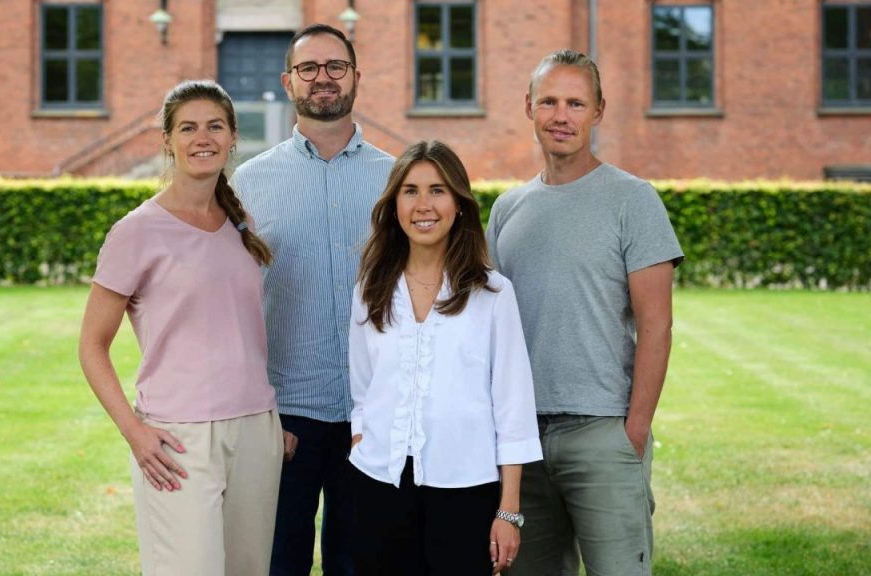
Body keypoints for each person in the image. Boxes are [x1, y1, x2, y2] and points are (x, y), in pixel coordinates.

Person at [486, 49, 685, 576]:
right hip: (522, 444)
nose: (561, 115)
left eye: (576, 103)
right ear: (528, 107)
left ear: (599, 111)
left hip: (603, 432)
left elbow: (657, 325)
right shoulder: (508, 210)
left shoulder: (632, 200)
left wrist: (633, 431)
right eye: (549, 101)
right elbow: (488, 327)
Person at [78, 80, 284, 576]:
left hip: (257, 431)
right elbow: (91, 345)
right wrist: (134, 432)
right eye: (188, 127)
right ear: (167, 140)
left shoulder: (242, 223)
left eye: (214, 126)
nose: (202, 137)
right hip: (177, 440)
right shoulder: (136, 232)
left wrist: (270, 420)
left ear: (234, 136)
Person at [232, 23, 395, 576]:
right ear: (287, 81)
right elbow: (236, 308)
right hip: (286, 421)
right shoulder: (248, 183)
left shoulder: (397, 181)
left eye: (335, 67)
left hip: (371, 415)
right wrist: (260, 411)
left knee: (362, 564)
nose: (322, 78)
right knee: (280, 564)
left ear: (355, 77)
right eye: (309, 68)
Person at [348, 140, 542, 576]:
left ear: (458, 203)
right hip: (379, 483)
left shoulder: (493, 294)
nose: (423, 204)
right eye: (410, 190)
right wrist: (363, 439)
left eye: (437, 190)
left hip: (465, 488)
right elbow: (361, 388)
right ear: (394, 205)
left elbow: (512, 409)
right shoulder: (370, 288)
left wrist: (508, 511)